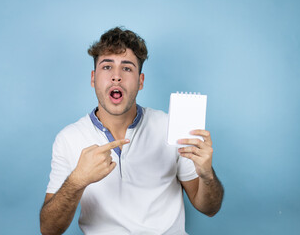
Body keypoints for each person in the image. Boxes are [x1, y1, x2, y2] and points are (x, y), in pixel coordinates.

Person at [40, 27, 224, 235]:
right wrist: (77, 180)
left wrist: (207, 175)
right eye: (107, 67)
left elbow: (209, 209)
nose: (116, 77)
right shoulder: (68, 139)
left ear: (141, 81)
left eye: (127, 68)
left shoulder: (169, 127)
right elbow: (49, 229)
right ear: (93, 78)